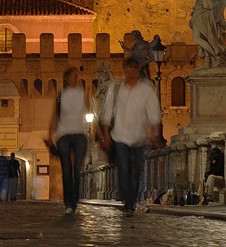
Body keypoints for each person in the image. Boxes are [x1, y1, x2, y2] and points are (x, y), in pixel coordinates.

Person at [101, 57, 162, 216]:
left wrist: (154, 134)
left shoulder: (146, 89)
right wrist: (106, 134)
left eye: (134, 69)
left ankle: (131, 201)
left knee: (135, 172)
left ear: (137, 70)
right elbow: (107, 113)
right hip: (120, 136)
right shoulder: (115, 89)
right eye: (128, 69)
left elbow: (154, 112)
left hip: (139, 137)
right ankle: (128, 204)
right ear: (124, 70)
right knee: (123, 170)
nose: (131, 72)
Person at [48, 66, 88, 214]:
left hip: (80, 134)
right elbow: (54, 116)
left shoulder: (83, 94)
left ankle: (74, 200)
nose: (74, 79)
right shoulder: (60, 95)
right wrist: (50, 135)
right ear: (66, 79)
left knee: (77, 170)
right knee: (66, 170)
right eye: (72, 76)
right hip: (63, 134)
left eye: (76, 77)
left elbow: (91, 114)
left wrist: (99, 134)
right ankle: (68, 204)